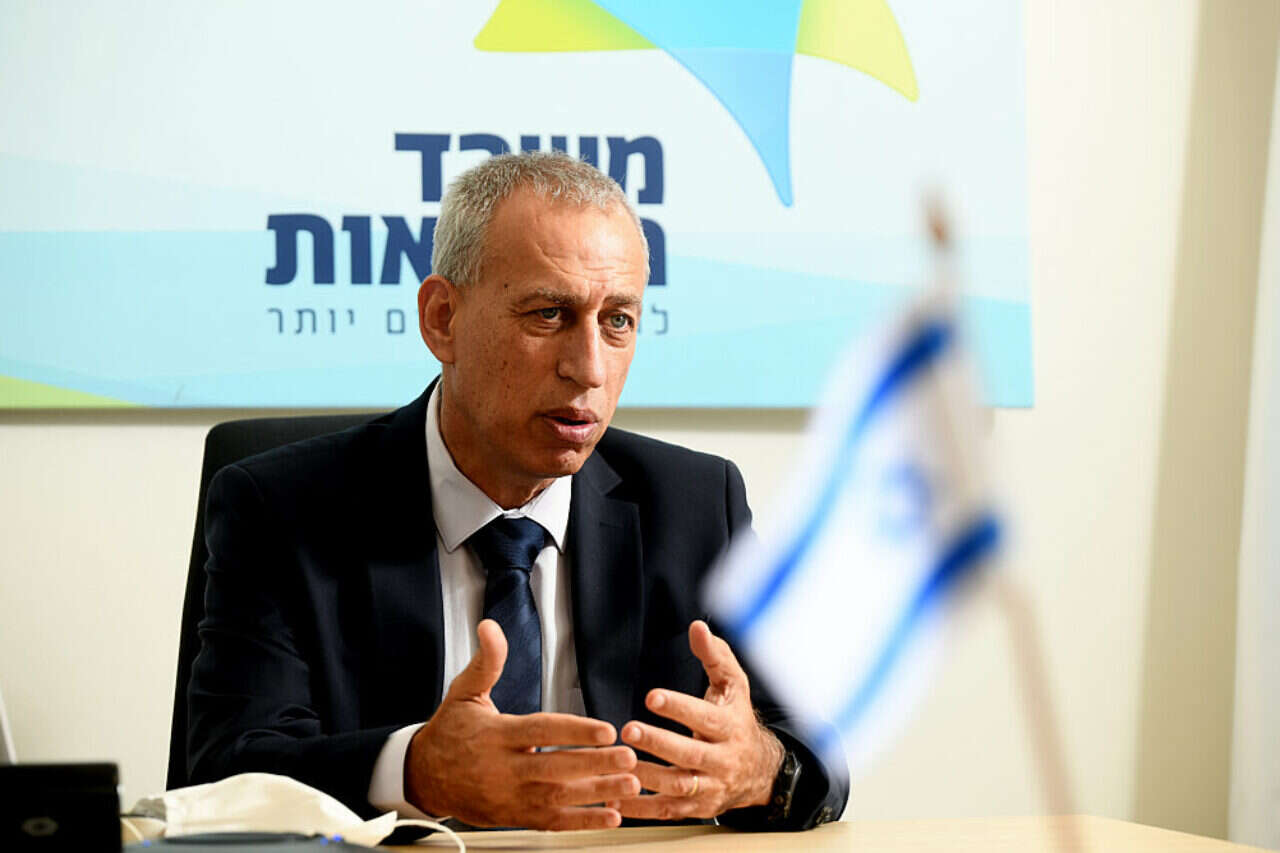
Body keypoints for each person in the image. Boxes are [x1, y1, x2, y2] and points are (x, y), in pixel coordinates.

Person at [187, 151, 848, 832]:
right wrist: (415, 770)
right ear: (442, 319)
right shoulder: (280, 508)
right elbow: (225, 775)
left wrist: (760, 767)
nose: (589, 369)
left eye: (617, 320)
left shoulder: (696, 505)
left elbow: (819, 752)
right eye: (550, 314)